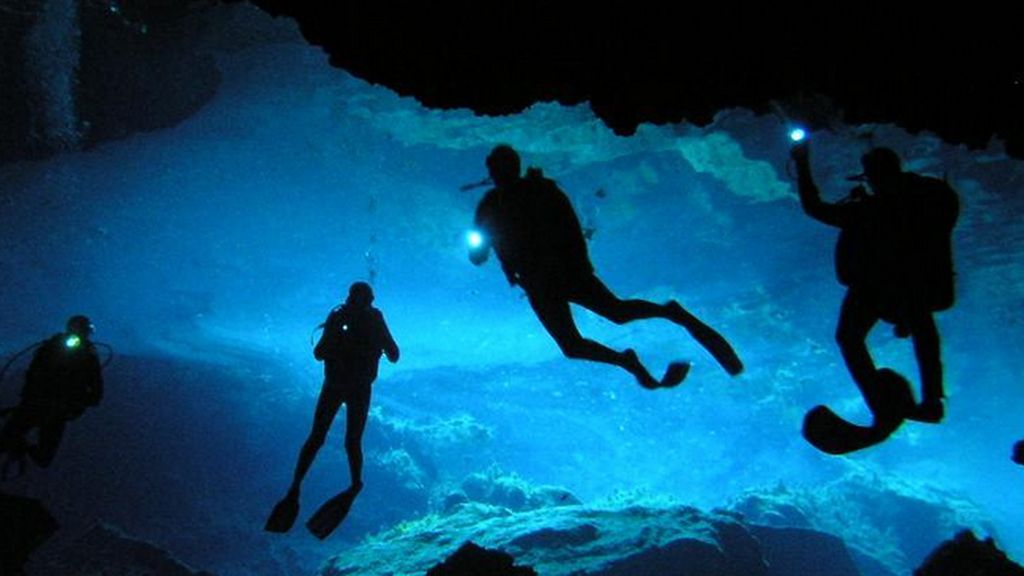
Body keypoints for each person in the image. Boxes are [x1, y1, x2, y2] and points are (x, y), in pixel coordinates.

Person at [468, 144, 743, 390]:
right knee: (575, 344)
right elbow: (481, 251)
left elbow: (569, 228)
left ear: (506, 168)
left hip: (562, 275)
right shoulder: (502, 202)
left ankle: (667, 318)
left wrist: (578, 264)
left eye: (498, 168)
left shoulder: (533, 193)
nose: (497, 174)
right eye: (495, 169)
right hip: (543, 281)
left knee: (614, 316)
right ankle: (631, 358)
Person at [791, 143, 958, 424]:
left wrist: (802, 163)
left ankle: (888, 403)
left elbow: (814, 207)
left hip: (884, 283)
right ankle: (929, 399)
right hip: (906, 281)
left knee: (852, 337)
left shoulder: (870, 211)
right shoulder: (928, 199)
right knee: (919, 329)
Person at [265, 282, 399, 536]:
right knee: (352, 442)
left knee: (317, 437)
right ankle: (354, 484)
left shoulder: (340, 316)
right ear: (370, 299)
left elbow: (318, 352)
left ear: (350, 297)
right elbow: (394, 354)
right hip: (358, 388)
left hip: (335, 385)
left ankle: (296, 487)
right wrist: (374, 344)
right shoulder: (372, 319)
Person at [0, 315, 103, 479]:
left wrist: (76, 405)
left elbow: (96, 392)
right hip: (43, 407)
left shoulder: (85, 355)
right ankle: (18, 447)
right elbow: (96, 393)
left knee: (41, 456)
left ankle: (19, 446)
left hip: (47, 409)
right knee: (20, 447)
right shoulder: (58, 348)